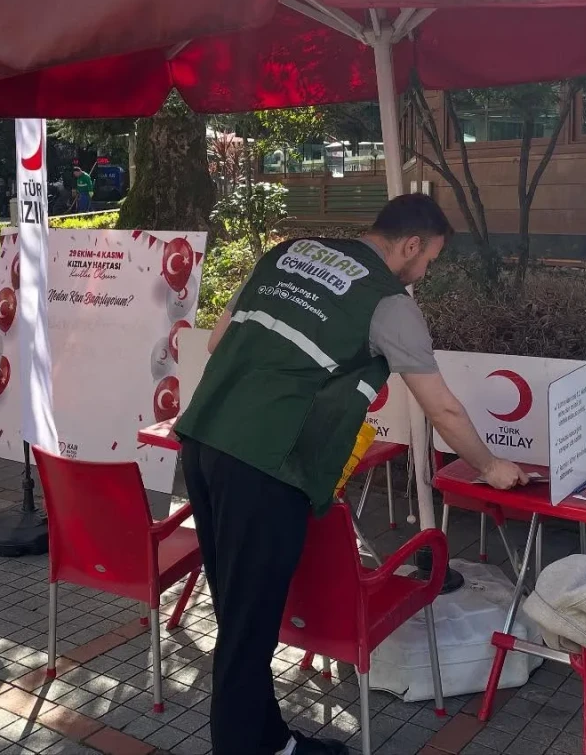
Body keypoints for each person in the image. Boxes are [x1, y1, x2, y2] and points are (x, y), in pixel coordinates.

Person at [175, 194, 529, 755]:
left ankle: (272, 742)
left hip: (203, 439)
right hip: (266, 465)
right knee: (247, 627)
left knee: (242, 615)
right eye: (430, 259)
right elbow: (442, 409)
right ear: (411, 245)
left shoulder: (287, 254)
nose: (426, 272)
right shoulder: (389, 303)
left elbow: (219, 341)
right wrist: (490, 465)